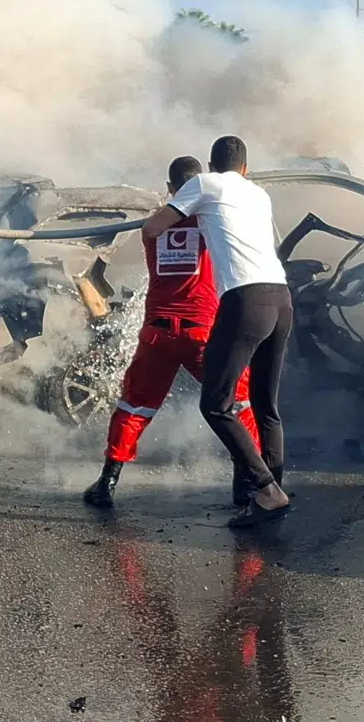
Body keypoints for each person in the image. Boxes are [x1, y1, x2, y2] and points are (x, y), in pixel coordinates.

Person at [83, 156, 262, 509]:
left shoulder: (152, 227)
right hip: (203, 333)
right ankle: (247, 484)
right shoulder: (213, 221)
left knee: (133, 405)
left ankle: (107, 482)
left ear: (169, 188)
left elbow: (164, 223)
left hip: (157, 333)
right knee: (239, 402)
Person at [142, 136, 292, 528]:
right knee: (265, 403)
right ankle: (271, 488)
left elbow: (155, 227)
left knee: (216, 404)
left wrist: (180, 211)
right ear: (245, 167)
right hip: (281, 299)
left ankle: (265, 489)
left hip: (245, 301)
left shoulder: (204, 185)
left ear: (211, 165)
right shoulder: (259, 194)